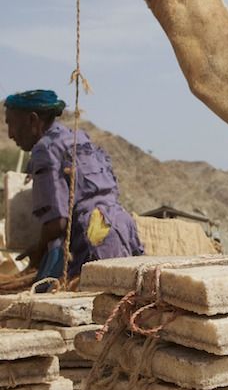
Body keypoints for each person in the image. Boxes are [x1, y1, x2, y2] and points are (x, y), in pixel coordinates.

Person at [3, 89, 144, 284]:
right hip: (120, 226)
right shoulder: (78, 138)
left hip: (93, 237)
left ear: (32, 120)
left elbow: (57, 223)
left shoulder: (45, 149)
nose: (10, 134)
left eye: (11, 124)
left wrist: (38, 254)